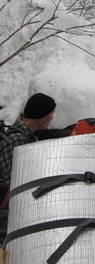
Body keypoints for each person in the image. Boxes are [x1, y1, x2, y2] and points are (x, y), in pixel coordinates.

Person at [0, 93, 56, 243]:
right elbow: (13, 181)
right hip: (5, 211)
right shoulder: (16, 140)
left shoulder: (27, 136)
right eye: (50, 114)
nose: (52, 118)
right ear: (42, 115)